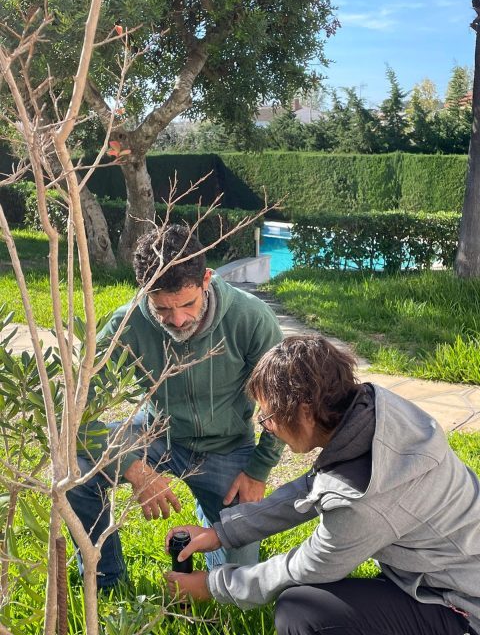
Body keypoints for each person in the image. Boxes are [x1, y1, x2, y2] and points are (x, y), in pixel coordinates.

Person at [166, 334, 480, 635]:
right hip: (449, 570)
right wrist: (222, 533)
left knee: (302, 613)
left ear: (304, 412)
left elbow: (305, 567)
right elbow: (315, 486)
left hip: (463, 605)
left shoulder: (364, 499)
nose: (267, 427)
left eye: (269, 416)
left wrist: (212, 585)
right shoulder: (375, 410)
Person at [67, 224, 284, 589]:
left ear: (207, 280)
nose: (178, 319)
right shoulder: (127, 324)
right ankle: (105, 579)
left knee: (241, 578)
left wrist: (259, 469)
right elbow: (76, 410)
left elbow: (283, 401)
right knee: (76, 470)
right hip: (159, 435)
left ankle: (210, 535)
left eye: (188, 304)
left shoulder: (251, 318)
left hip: (230, 448)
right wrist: (133, 468)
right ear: (144, 292)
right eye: (163, 308)